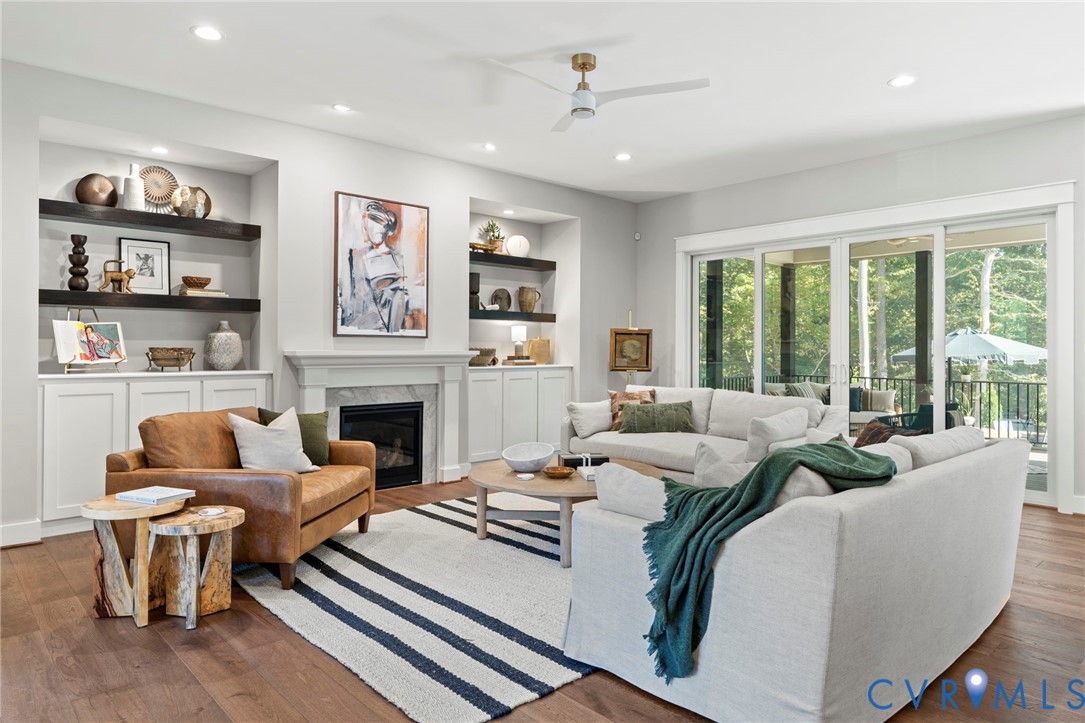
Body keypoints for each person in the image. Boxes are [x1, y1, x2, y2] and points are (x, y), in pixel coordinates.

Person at [348, 200, 412, 332]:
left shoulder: (398, 259)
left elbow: (402, 298)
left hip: (392, 328)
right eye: (369, 226)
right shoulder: (358, 257)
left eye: (378, 224)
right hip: (366, 326)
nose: (374, 230)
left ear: (386, 227)